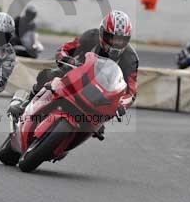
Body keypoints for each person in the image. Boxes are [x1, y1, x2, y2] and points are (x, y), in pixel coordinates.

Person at [10, 10, 139, 121]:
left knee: (101, 122)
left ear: (127, 39)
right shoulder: (90, 36)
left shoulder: (131, 58)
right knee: (48, 74)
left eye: (121, 39)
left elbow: (131, 92)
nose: (116, 43)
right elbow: (64, 48)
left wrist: (121, 104)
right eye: (112, 37)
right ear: (103, 33)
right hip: (78, 75)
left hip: (102, 93)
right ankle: (26, 104)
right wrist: (67, 60)